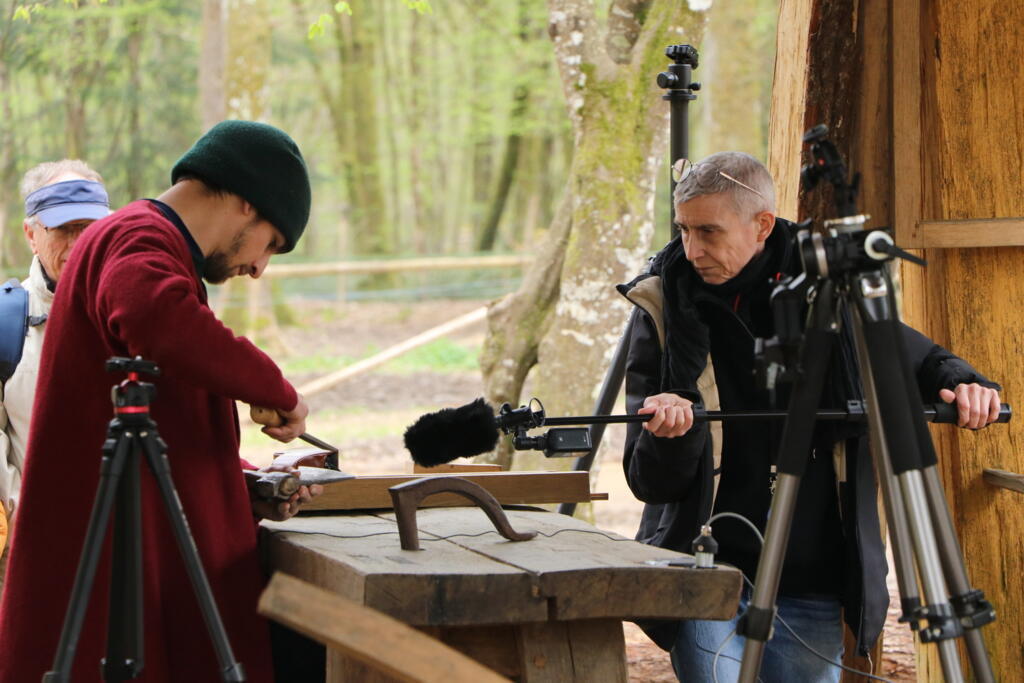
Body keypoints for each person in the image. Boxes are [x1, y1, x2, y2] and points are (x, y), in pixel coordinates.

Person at [619, 152, 1002, 682]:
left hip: (813, 579)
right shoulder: (663, 306)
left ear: (762, 225)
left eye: (708, 231)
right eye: (683, 230)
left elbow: (913, 355)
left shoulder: (831, 288)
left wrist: (964, 381)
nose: (691, 250)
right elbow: (646, 480)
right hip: (704, 571)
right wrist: (674, 434)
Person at [0, 120, 320, 682]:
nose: (259, 266)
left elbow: (157, 412)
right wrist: (275, 389)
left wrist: (241, 481)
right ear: (248, 203)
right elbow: (156, 319)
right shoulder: (139, 237)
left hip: (139, 550)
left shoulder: (148, 244)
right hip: (115, 570)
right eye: (271, 242)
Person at [0, 161, 110, 591]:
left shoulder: (138, 314)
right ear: (31, 234)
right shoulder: (8, 323)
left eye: (90, 228)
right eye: (64, 230)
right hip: (34, 550)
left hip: (129, 544)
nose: (79, 243)